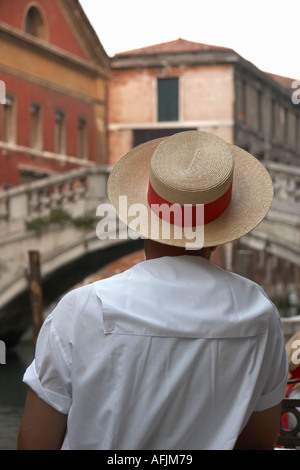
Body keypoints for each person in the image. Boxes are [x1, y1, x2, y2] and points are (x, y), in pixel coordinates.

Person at [18, 131, 288, 450]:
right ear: (220, 235)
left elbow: (35, 444)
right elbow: (258, 443)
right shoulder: (258, 312)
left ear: (143, 220)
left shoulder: (83, 306)